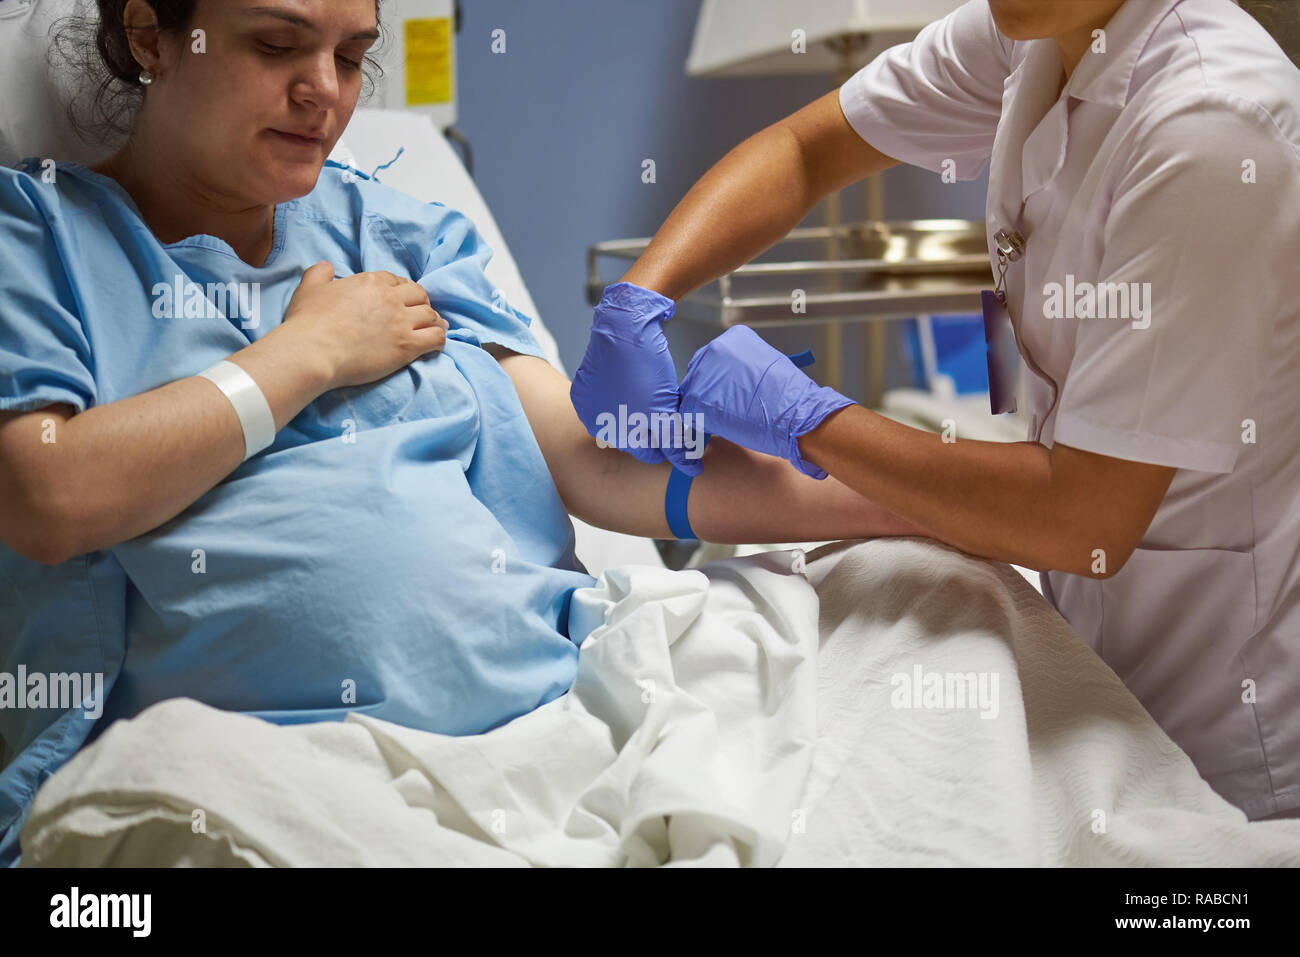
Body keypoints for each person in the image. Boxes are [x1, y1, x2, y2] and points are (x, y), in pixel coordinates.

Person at [0, 0, 928, 866]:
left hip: (555, 710)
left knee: (946, 595)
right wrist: (305, 356)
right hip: (263, 762)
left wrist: (910, 494)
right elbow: (48, 496)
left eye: (354, 56)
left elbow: (596, 464)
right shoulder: (39, 236)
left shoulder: (399, 233)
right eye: (276, 46)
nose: (323, 88)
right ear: (154, 36)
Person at [570, 0, 1300, 821]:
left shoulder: (1211, 127)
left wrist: (809, 419)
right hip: (1087, 677)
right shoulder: (1028, 33)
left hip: (1229, 727)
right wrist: (641, 293)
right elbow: (803, 151)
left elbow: (1083, 519)